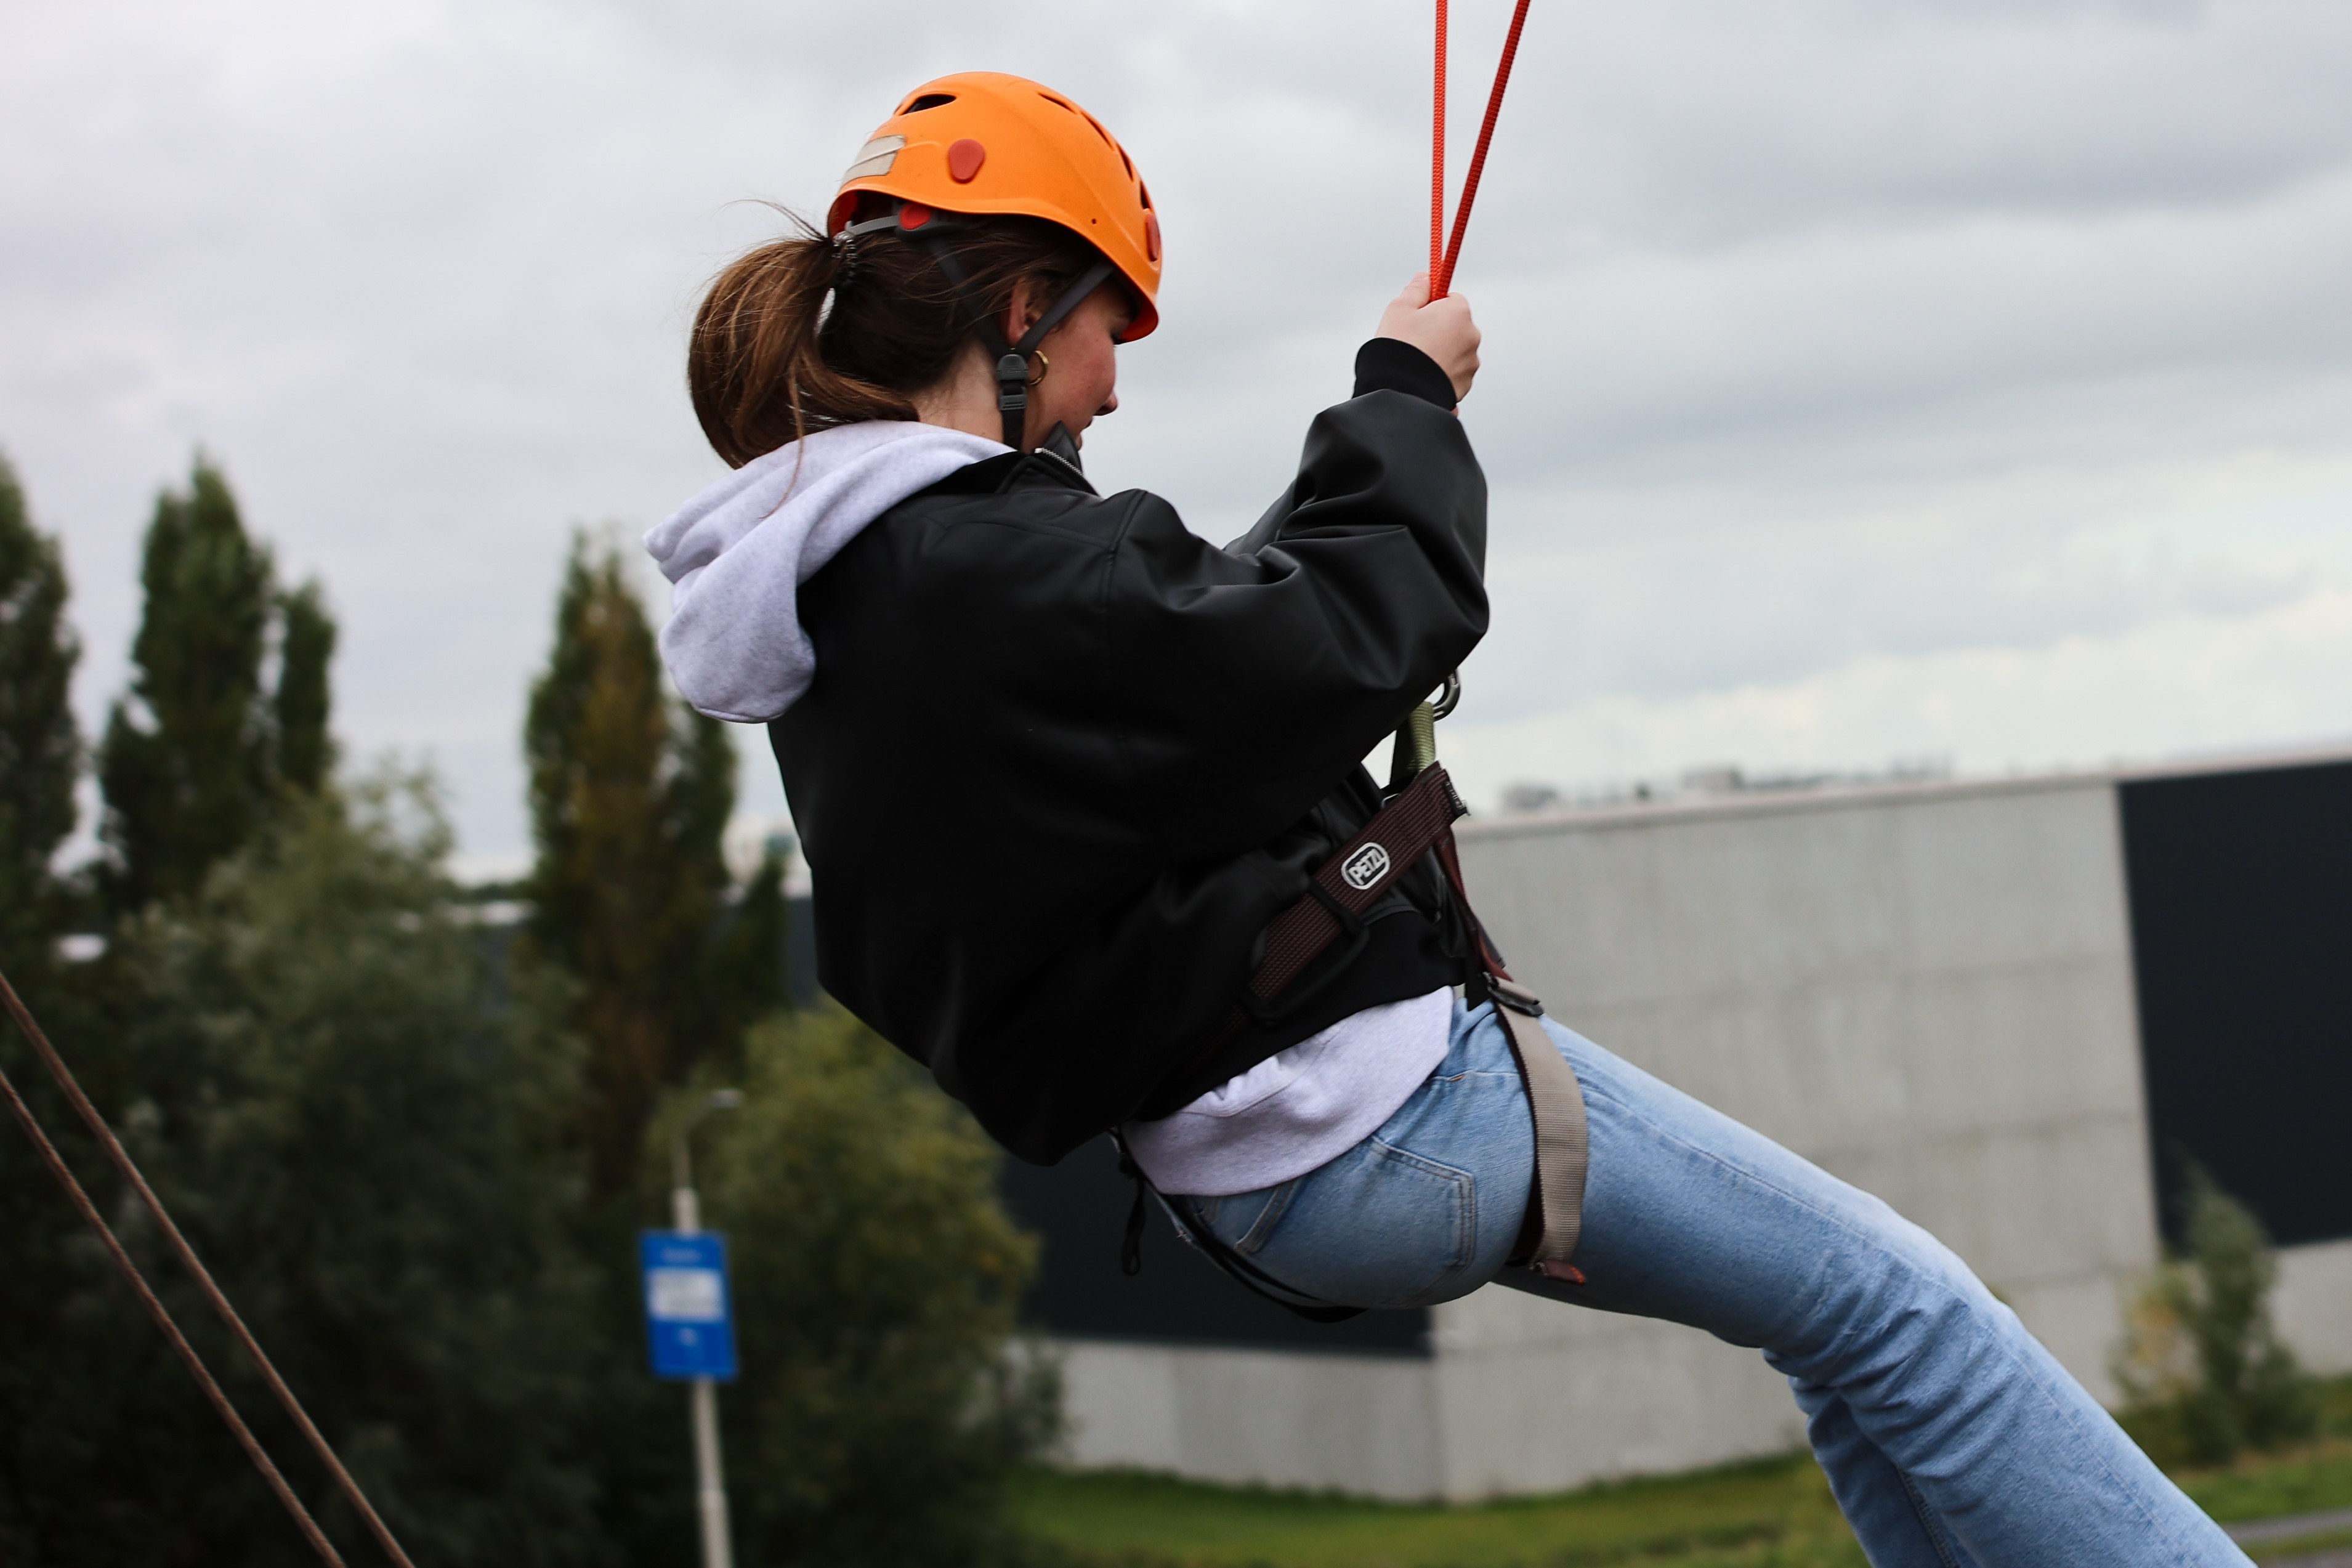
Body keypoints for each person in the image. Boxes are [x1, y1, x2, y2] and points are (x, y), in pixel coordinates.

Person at [645, 71, 2251, 1568]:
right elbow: (1348, 621)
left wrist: (1378, 425)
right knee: (1910, 1309)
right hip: (1386, 1122)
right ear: (1015, 310)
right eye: (1104, 327)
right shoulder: (986, 568)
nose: (1114, 380)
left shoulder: (861, 616)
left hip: (1251, 1172)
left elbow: (1205, 668)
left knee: (1843, 1335)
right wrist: (1406, 394)